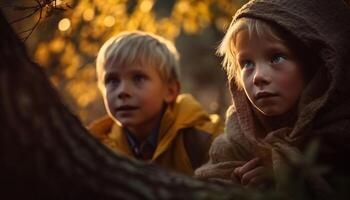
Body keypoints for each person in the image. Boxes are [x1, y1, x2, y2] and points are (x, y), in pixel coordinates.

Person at [195, 0, 350, 198]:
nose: (258, 76)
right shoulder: (235, 143)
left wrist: (290, 179)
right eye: (247, 63)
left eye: (276, 57)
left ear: (313, 65)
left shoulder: (341, 137)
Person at [89, 31, 222, 175]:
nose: (122, 91)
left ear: (170, 91)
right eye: (112, 80)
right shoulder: (98, 150)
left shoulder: (203, 140)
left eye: (138, 78)